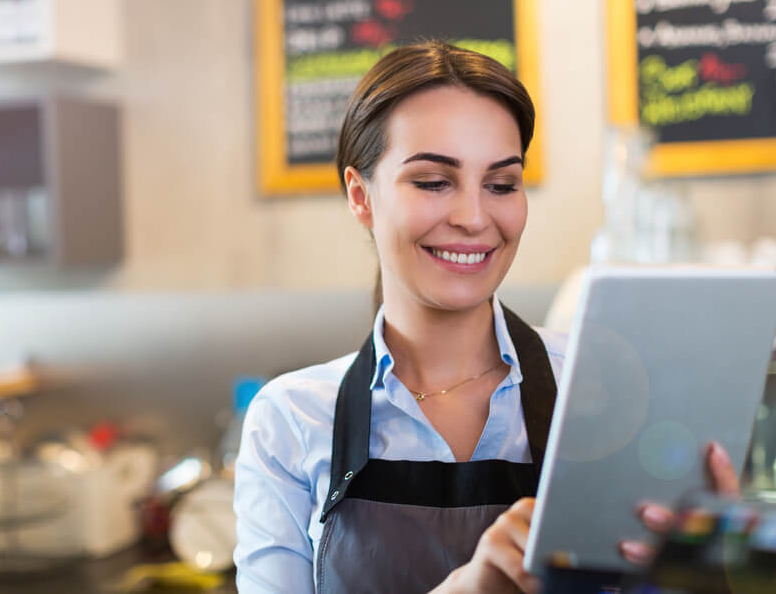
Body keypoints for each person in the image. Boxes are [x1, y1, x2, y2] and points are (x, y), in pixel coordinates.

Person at [233, 41, 739, 593]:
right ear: (361, 196)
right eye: (432, 182)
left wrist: (708, 570)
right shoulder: (289, 421)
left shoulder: (608, 387)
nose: (474, 218)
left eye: (501, 185)